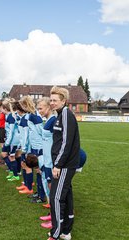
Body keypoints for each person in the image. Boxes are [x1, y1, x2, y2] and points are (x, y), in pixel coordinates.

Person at [48, 86, 80, 240]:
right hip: (62, 164)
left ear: (63, 101)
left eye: (55, 100)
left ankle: (56, 233)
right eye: (51, 100)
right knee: (66, 196)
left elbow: (66, 143)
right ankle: (66, 231)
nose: (52, 103)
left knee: (55, 197)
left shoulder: (66, 114)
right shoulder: (60, 115)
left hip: (65, 165)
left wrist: (58, 165)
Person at [37, 97, 57, 229]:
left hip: (52, 162)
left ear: (49, 107)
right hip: (47, 161)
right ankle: (52, 214)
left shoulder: (54, 121)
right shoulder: (48, 121)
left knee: (53, 191)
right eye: (38, 108)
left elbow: (57, 144)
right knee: (50, 189)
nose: (39, 111)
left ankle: (56, 220)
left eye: (41, 108)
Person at [0, 98, 20, 181]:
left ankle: (15, 175)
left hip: (13, 140)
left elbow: (12, 131)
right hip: (11, 140)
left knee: (12, 157)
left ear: (5, 109)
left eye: (1, 108)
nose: (0, 110)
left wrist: (7, 142)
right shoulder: (10, 115)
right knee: (4, 154)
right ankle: (12, 172)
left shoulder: (11, 117)